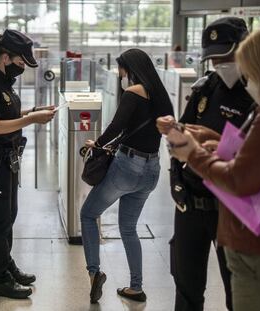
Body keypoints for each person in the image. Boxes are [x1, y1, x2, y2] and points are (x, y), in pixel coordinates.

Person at [156, 17, 254, 311]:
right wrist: (175, 133)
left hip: (231, 210)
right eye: (213, 58)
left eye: (226, 55)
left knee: (237, 291)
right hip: (191, 203)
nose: (219, 63)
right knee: (186, 286)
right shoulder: (205, 89)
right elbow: (185, 130)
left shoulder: (255, 94)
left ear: (243, 49)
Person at [80, 48, 174, 304]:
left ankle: (94, 273)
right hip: (152, 170)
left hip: (128, 167)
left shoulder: (133, 93)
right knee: (129, 228)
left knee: (88, 214)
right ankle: (135, 287)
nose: (120, 75)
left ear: (129, 69)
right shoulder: (160, 94)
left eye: (121, 69)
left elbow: (116, 126)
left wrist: (96, 143)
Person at [0, 29, 55, 299]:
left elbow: (8, 113)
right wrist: (32, 121)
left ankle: (6, 265)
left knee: (10, 216)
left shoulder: (4, 81)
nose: (22, 68)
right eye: (20, 63)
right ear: (5, 57)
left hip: (8, 160)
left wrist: (33, 111)